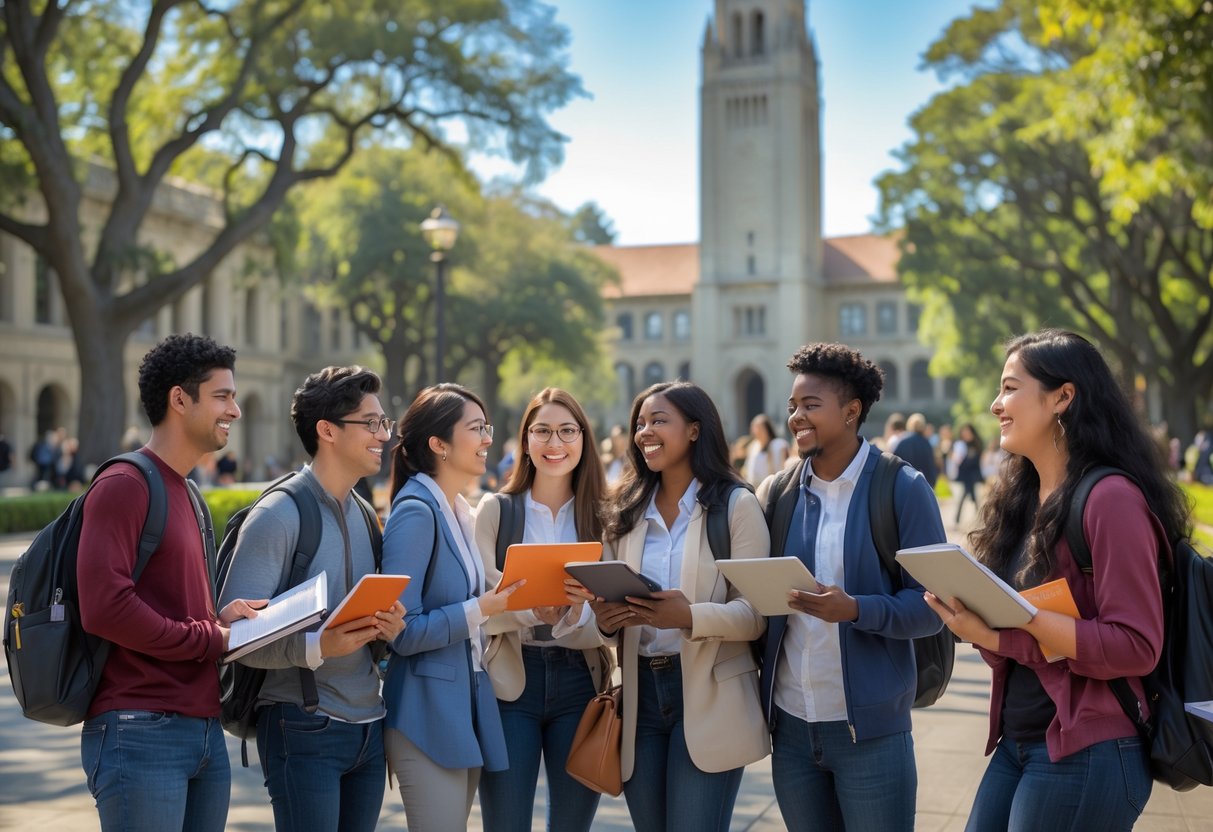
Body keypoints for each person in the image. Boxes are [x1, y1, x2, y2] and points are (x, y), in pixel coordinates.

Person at [926, 329, 1182, 832]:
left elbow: (1136, 645)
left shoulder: (1111, 499)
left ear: (1063, 396)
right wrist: (982, 631)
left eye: (1010, 388)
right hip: (1018, 743)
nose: (996, 404)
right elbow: (1033, 646)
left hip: (1090, 749)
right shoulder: (1020, 504)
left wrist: (1023, 621)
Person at [755, 342, 946, 832]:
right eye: (793, 406)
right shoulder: (777, 493)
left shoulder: (902, 488)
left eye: (811, 406)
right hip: (792, 728)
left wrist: (857, 609)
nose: (796, 417)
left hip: (872, 734)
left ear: (852, 411)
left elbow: (933, 608)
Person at [75, 333, 260, 832]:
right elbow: (105, 607)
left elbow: (166, 604)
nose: (235, 411)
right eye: (222, 396)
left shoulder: (189, 493)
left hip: (202, 729)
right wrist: (210, 638)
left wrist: (218, 619)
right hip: (139, 730)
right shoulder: (124, 485)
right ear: (180, 399)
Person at [573, 381, 770, 832]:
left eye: (659, 421)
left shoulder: (736, 506)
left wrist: (689, 616)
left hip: (709, 694)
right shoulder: (624, 511)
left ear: (696, 430)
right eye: (640, 423)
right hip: (640, 695)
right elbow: (604, 608)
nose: (645, 432)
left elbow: (757, 614)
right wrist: (605, 621)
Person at [217, 366, 406, 832]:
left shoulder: (364, 514)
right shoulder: (278, 515)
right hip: (303, 727)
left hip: (369, 725)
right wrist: (318, 646)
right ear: (327, 431)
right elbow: (236, 637)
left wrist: (388, 627)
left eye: (385, 423)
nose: (384, 435)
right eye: (372, 424)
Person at [381, 383, 522, 830]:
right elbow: (401, 631)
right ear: (438, 444)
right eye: (476, 429)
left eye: (487, 427)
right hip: (425, 712)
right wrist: (479, 608)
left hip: (464, 706)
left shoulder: (459, 510)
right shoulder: (416, 512)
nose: (487, 439)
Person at [474, 388, 612, 832]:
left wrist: (574, 616)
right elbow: (478, 609)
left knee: (572, 825)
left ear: (584, 439)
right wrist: (534, 611)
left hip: (582, 682)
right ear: (525, 441)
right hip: (512, 680)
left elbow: (615, 617)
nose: (555, 443)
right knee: (506, 822)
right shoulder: (496, 511)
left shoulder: (605, 517)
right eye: (543, 431)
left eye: (567, 431)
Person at [741, 413, 789, 487]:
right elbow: (746, 469)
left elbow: (784, 467)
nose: (756, 431)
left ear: (767, 429)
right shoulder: (753, 446)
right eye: (754, 427)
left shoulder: (778, 444)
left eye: (759, 427)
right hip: (754, 488)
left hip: (772, 487)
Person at [891, 412, 938, 486]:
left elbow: (894, 463)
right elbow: (930, 468)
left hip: (903, 482)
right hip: (921, 484)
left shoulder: (903, 442)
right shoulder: (926, 443)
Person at [951, 423, 984, 525]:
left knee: (973, 497)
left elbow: (977, 459)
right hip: (964, 475)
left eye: (967, 431)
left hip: (973, 475)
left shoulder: (976, 443)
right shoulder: (960, 444)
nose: (966, 434)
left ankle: (977, 519)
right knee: (967, 497)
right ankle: (976, 519)